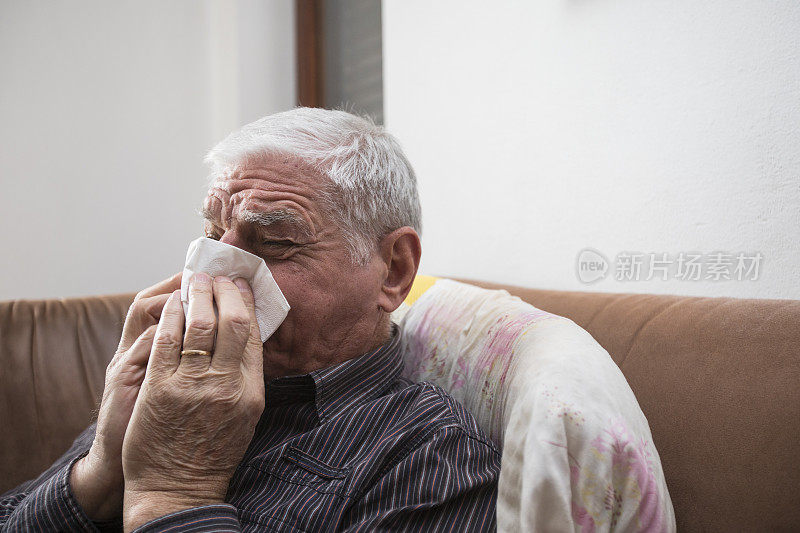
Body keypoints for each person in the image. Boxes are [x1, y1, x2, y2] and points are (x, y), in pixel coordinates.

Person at [0, 108, 500, 532]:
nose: (212, 276)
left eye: (276, 242)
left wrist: (174, 491)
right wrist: (99, 474)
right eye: (213, 233)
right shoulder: (173, 383)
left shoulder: (431, 457)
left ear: (393, 270)